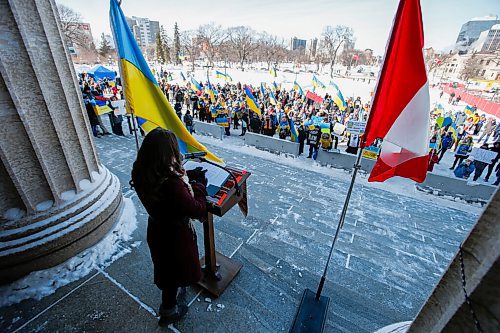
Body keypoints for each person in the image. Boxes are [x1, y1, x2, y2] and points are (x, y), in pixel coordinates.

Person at [130, 128, 208, 326]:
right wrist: (199, 187)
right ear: (167, 154)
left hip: (158, 229)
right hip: (175, 236)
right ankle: (169, 311)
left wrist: (188, 174)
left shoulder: (142, 171)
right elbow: (197, 209)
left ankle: (171, 299)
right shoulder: (172, 186)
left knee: (167, 269)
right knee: (173, 273)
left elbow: (166, 177)